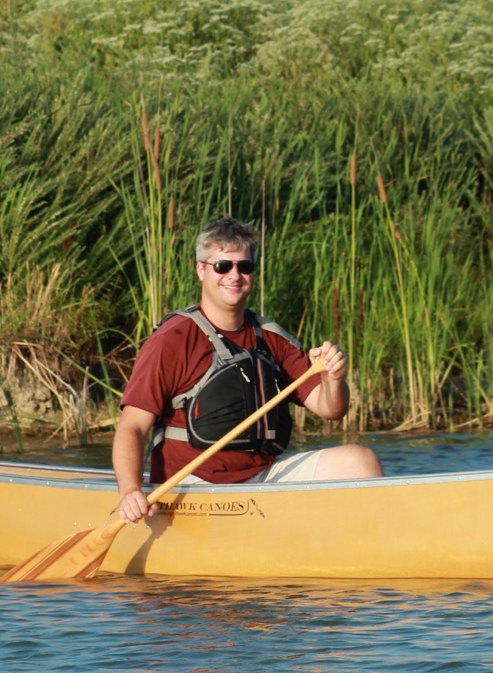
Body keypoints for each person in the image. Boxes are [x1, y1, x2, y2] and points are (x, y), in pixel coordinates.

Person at [113, 216, 382, 523]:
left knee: (360, 462)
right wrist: (130, 491)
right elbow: (132, 426)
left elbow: (330, 409)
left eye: (245, 266)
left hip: (263, 478)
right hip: (195, 487)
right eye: (223, 266)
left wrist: (332, 378)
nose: (235, 275)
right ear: (201, 270)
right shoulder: (171, 341)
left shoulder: (270, 336)